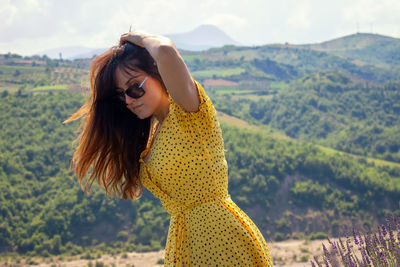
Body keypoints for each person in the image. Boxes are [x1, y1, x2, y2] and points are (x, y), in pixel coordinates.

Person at [66, 29, 273, 266]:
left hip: (223, 239)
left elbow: (165, 51)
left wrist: (139, 39)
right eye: (122, 95)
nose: (129, 100)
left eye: (135, 87)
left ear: (158, 74)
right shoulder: (151, 134)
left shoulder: (189, 112)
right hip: (186, 245)